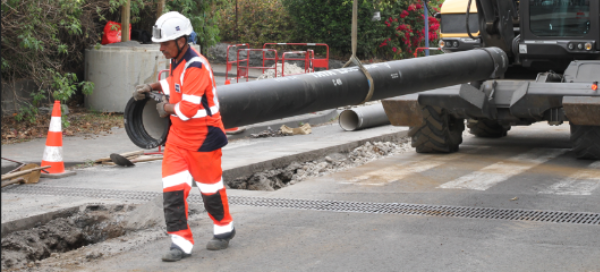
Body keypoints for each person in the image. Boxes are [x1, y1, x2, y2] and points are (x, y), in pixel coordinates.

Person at [132, 11, 234, 262]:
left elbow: (187, 110)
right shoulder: (177, 61)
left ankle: (224, 229)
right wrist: (151, 87)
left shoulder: (197, 65)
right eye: (161, 44)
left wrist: (164, 108)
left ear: (181, 40)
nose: (161, 48)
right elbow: (174, 84)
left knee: (210, 189)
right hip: (178, 138)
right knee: (173, 190)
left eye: (165, 43)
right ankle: (180, 242)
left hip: (204, 137)